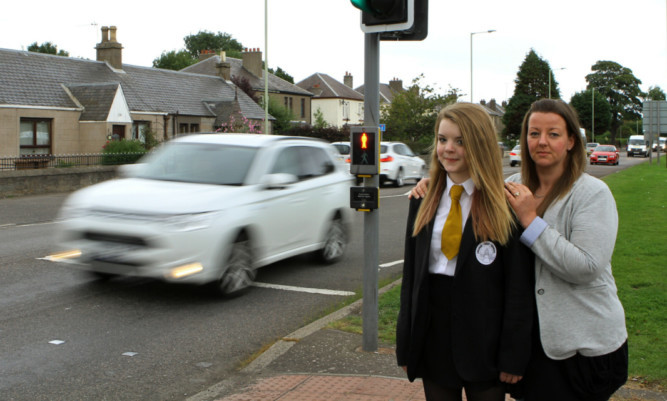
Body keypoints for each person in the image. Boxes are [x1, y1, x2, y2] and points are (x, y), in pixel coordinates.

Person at [410, 99, 628, 401]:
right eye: (533, 133)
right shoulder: (510, 189)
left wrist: (530, 220)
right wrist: (430, 185)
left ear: (571, 142)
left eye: (553, 134)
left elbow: (586, 267)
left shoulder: (591, 193)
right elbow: (468, 184)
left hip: (581, 343)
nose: (541, 142)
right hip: (537, 345)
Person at [396, 102, 534, 401]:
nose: (448, 149)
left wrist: (513, 354)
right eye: (442, 139)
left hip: (485, 342)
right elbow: (411, 280)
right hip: (433, 338)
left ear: (480, 145)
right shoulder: (422, 199)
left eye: (460, 141)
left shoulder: (504, 206)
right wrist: (406, 343)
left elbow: (518, 287)